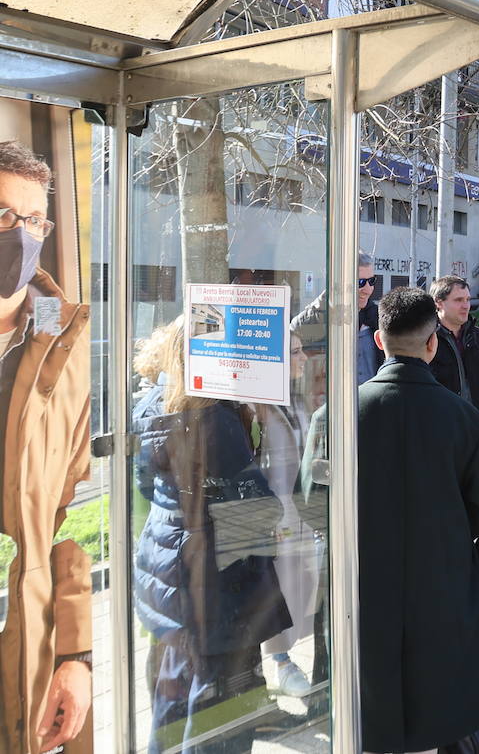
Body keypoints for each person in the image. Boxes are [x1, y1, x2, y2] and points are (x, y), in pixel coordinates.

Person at [356, 289, 479, 754]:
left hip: (363, 585)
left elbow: (312, 499)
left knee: (370, 708)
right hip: (443, 577)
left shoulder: (338, 416)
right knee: (445, 702)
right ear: (433, 344)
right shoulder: (467, 420)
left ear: (379, 340)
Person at [133, 320, 290, 754]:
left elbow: (148, 487)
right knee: (223, 709)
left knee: (176, 693)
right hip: (216, 581)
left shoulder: (151, 401)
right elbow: (256, 508)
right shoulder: (213, 418)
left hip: (167, 567)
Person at [0, 142, 93, 753]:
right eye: (5, 216)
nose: (21, 234)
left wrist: (76, 650)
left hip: (21, 646)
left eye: (34, 221)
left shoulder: (64, 338)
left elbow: (78, 510)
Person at [255, 333, 320, 699]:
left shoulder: (295, 398)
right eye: (293, 352)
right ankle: (278, 662)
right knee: (275, 590)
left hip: (298, 512)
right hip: (273, 516)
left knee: (300, 585)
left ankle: (282, 658)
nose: (302, 357)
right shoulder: (258, 406)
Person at [292, 251, 383, 385]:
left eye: (371, 281)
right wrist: (324, 306)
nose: (368, 289)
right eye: (361, 282)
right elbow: (294, 333)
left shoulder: (376, 316)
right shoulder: (320, 315)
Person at [427, 275, 479, 415]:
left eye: (468, 300)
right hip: (443, 427)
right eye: (458, 300)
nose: (466, 306)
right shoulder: (427, 339)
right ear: (438, 303)